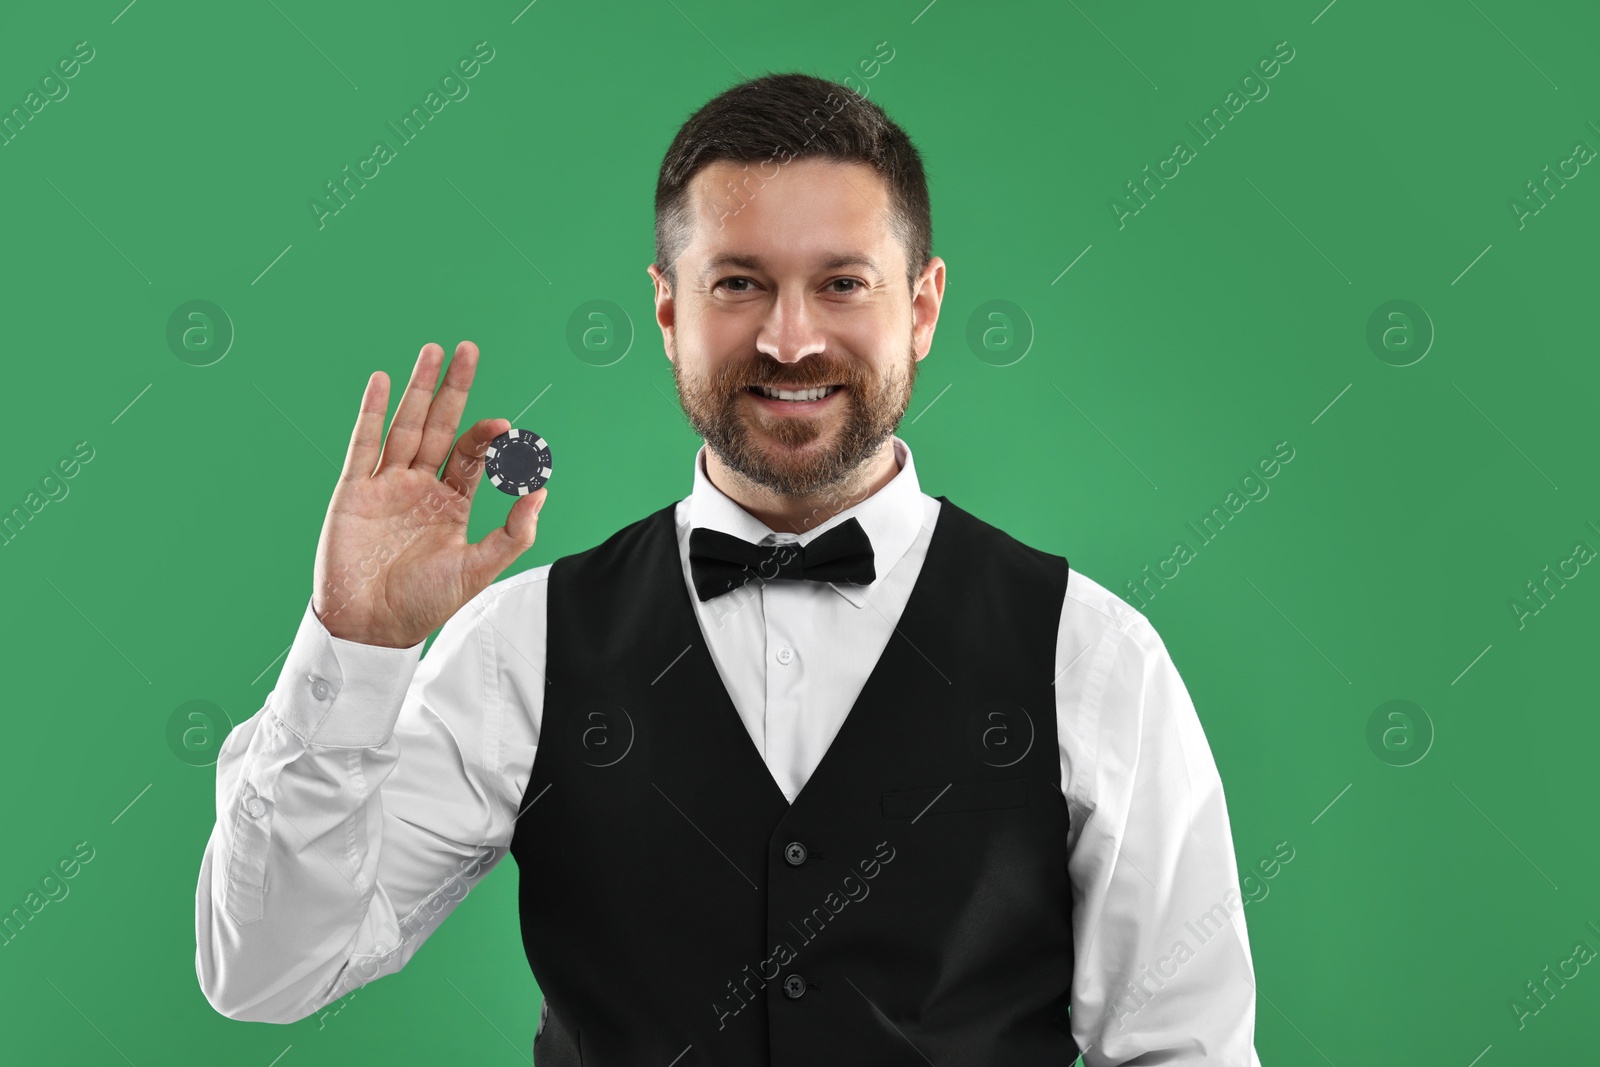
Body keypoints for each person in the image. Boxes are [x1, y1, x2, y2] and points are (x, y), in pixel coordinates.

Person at [195, 72, 1262, 1064]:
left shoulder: (1091, 652)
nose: (790, 340)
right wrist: (355, 644)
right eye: (739, 283)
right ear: (668, 310)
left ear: (923, 305)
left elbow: (1185, 1048)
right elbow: (269, 968)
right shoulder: (524, 643)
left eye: (841, 283)